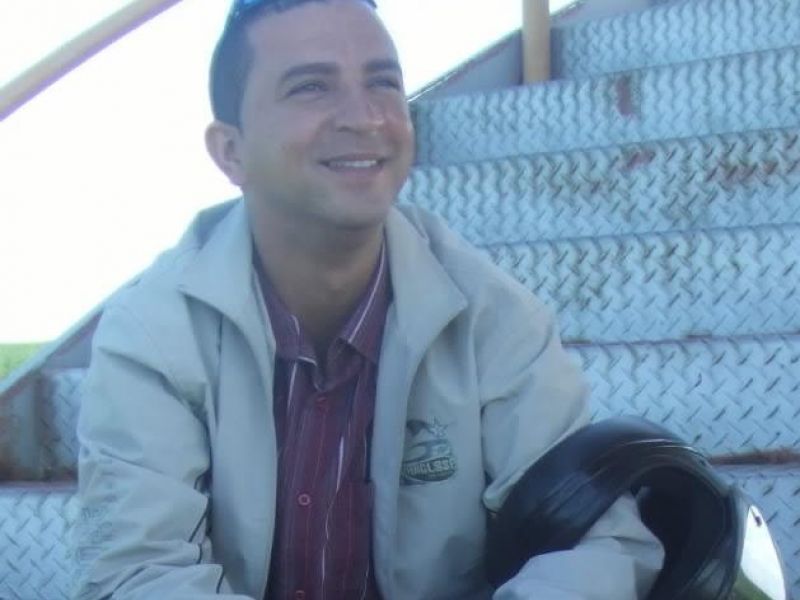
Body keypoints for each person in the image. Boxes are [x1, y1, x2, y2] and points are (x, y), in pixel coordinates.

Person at [73, 0, 664, 598]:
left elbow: (598, 542)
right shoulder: (152, 334)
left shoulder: (492, 315)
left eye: (383, 82)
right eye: (311, 87)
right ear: (231, 151)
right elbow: (136, 574)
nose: (366, 116)